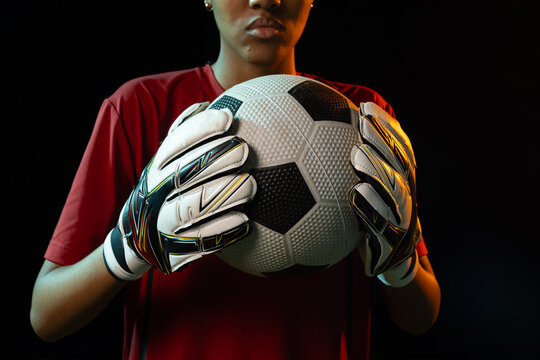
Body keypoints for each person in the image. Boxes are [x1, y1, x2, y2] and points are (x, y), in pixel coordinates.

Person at [30, 0, 441, 359]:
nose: (267, 0)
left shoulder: (364, 115)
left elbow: (421, 317)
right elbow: (46, 316)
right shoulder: (139, 107)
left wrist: (399, 265)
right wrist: (126, 252)